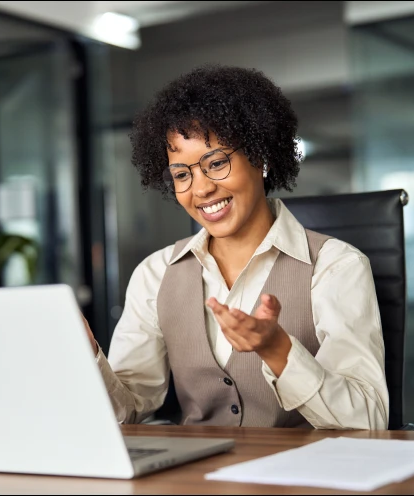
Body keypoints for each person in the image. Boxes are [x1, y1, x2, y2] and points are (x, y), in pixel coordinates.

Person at [82, 65, 388, 429]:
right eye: (181, 174)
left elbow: (368, 421)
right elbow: (128, 410)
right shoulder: (156, 273)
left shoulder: (336, 266)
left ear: (260, 157)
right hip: (198, 466)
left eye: (216, 163)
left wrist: (278, 350)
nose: (201, 189)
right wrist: (88, 355)